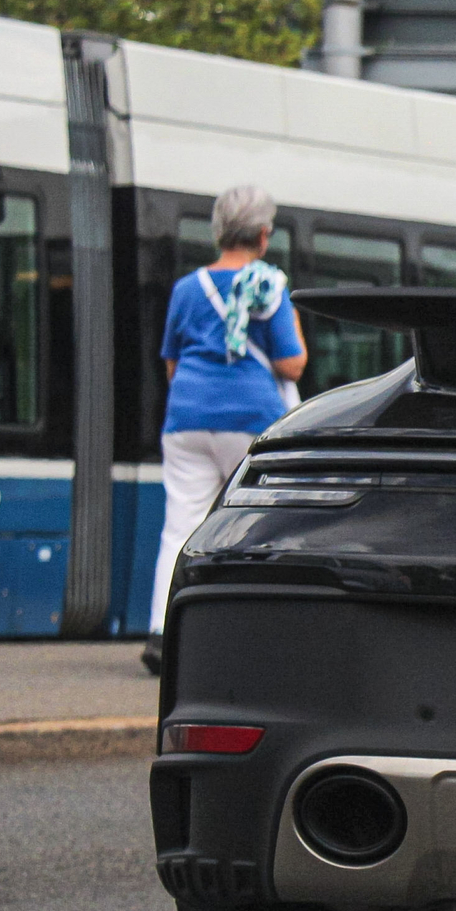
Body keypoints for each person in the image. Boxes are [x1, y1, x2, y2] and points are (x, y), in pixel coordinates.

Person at [143, 186, 305, 675]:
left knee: (181, 525)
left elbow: (171, 363)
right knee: (256, 525)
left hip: (186, 419)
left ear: (218, 231)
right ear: (262, 234)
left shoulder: (187, 288)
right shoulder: (269, 286)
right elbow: (291, 364)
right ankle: (246, 634)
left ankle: (160, 632)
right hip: (249, 420)